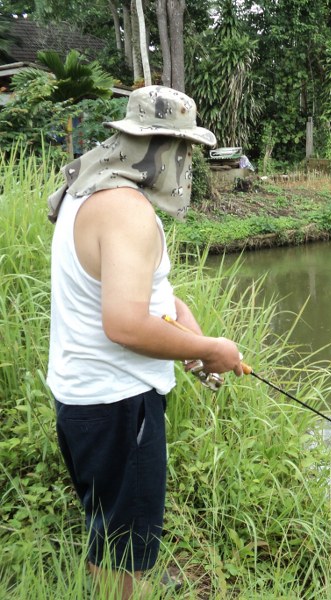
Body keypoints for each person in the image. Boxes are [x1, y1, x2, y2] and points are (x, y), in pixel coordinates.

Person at [46, 85, 243, 599]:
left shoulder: (89, 191)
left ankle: (116, 581)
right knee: (124, 546)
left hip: (86, 400)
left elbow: (151, 299)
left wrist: (193, 335)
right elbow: (126, 324)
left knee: (110, 526)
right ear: (160, 148)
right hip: (119, 406)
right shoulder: (127, 211)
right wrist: (210, 350)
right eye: (184, 153)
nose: (185, 166)